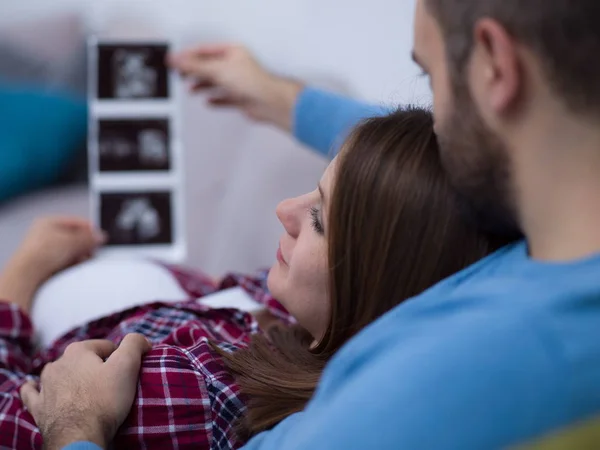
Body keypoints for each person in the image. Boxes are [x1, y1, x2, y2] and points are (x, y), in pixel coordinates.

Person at [50, 0, 600, 448]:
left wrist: (76, 426)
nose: (436, 124)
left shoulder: (433, 387)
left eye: (431, 79)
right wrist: (282, 99)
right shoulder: (541, 233)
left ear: (495, 67)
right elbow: (408, 180)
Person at [0, 105, 505, 448]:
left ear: (377, 282)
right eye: (314, 190)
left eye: (320, 219)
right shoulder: (297, 311)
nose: (284, 208)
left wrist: (20, 278)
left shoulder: (194, 392)